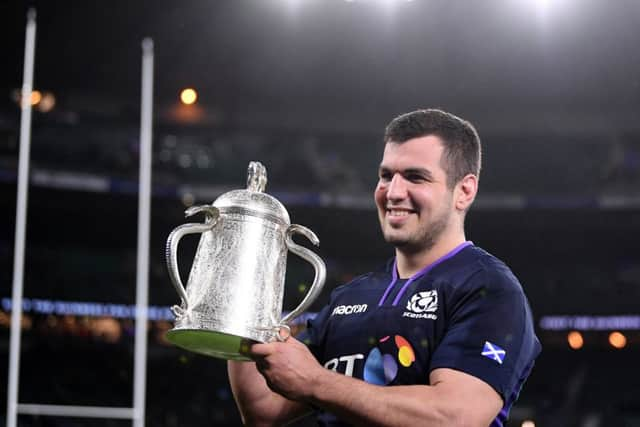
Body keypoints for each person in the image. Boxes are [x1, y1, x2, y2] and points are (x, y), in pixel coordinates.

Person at [228, 109, 541, 427]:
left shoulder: (488, 288)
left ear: (464, 191)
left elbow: (454, 417)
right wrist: (243, 285)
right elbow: (262, 409)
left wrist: (316, 381)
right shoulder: (351, 295)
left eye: (415, 177)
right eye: (387, 175)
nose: (393, 192)